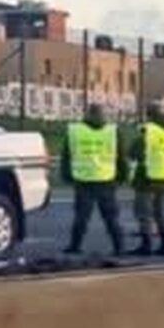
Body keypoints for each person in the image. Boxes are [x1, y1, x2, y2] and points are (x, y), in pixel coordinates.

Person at [62, 103, 125, 256]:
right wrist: (121, 176)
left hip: (83, 179)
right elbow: (120, 156)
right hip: (106, 178)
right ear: (103, 114)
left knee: (81, 217)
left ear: (87, 114)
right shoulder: (112, 131)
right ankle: (119, 247)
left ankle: (75, 246)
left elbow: (66, 155)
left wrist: (67, 175)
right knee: (111, 217)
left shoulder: (75, 131)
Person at [130, 104, 164, 257]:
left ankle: (146, 245)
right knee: (160, 212)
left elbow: (134, 152)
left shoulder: (149, 132)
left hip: (147, 177)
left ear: (149, 116)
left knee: (144, 212)